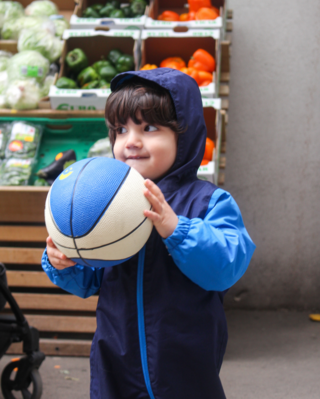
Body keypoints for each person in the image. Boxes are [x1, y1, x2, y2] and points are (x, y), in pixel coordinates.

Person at [42, 68, 256, 399]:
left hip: (185, 361)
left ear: (183, 136)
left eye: (150, 127)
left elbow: (226, 267)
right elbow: (92, 281)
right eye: (120, 129)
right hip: (115, 356)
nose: (132, 141)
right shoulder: (106, 202)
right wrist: (65, 262)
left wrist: (177, 230)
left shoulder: (207, 201)